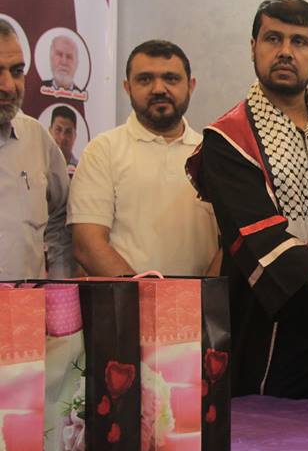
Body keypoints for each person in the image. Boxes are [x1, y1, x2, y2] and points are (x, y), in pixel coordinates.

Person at [186, 0, 308, 399]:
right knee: (273, 429)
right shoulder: (227, 138)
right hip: (269, 322)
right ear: (253, 46)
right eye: (274, 38)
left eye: (300, 41)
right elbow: (256, 231)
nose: (286, 51)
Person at [68, 40, 219, 278]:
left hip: (201, 300)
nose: (158, 89)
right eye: (145, 79)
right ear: (127, 87)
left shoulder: (214, 155)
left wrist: (202, 296)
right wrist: (147, 295)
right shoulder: (102, 151)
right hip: (125, 300)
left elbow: (234, 241)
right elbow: (88, 245)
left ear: (191, 86)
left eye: (171, 78)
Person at [0, 18, 71, 279]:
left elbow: (62, 217)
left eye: (17, 71)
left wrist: (58, 286)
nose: (9, 86)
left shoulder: (36, 138)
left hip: (28, 303)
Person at [48, 105, 79, 172]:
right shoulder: (39, 166)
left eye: (68, 131)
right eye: (58, 129)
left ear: (75, 136)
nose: (62, 137)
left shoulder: (81, 170)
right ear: (49, 131)